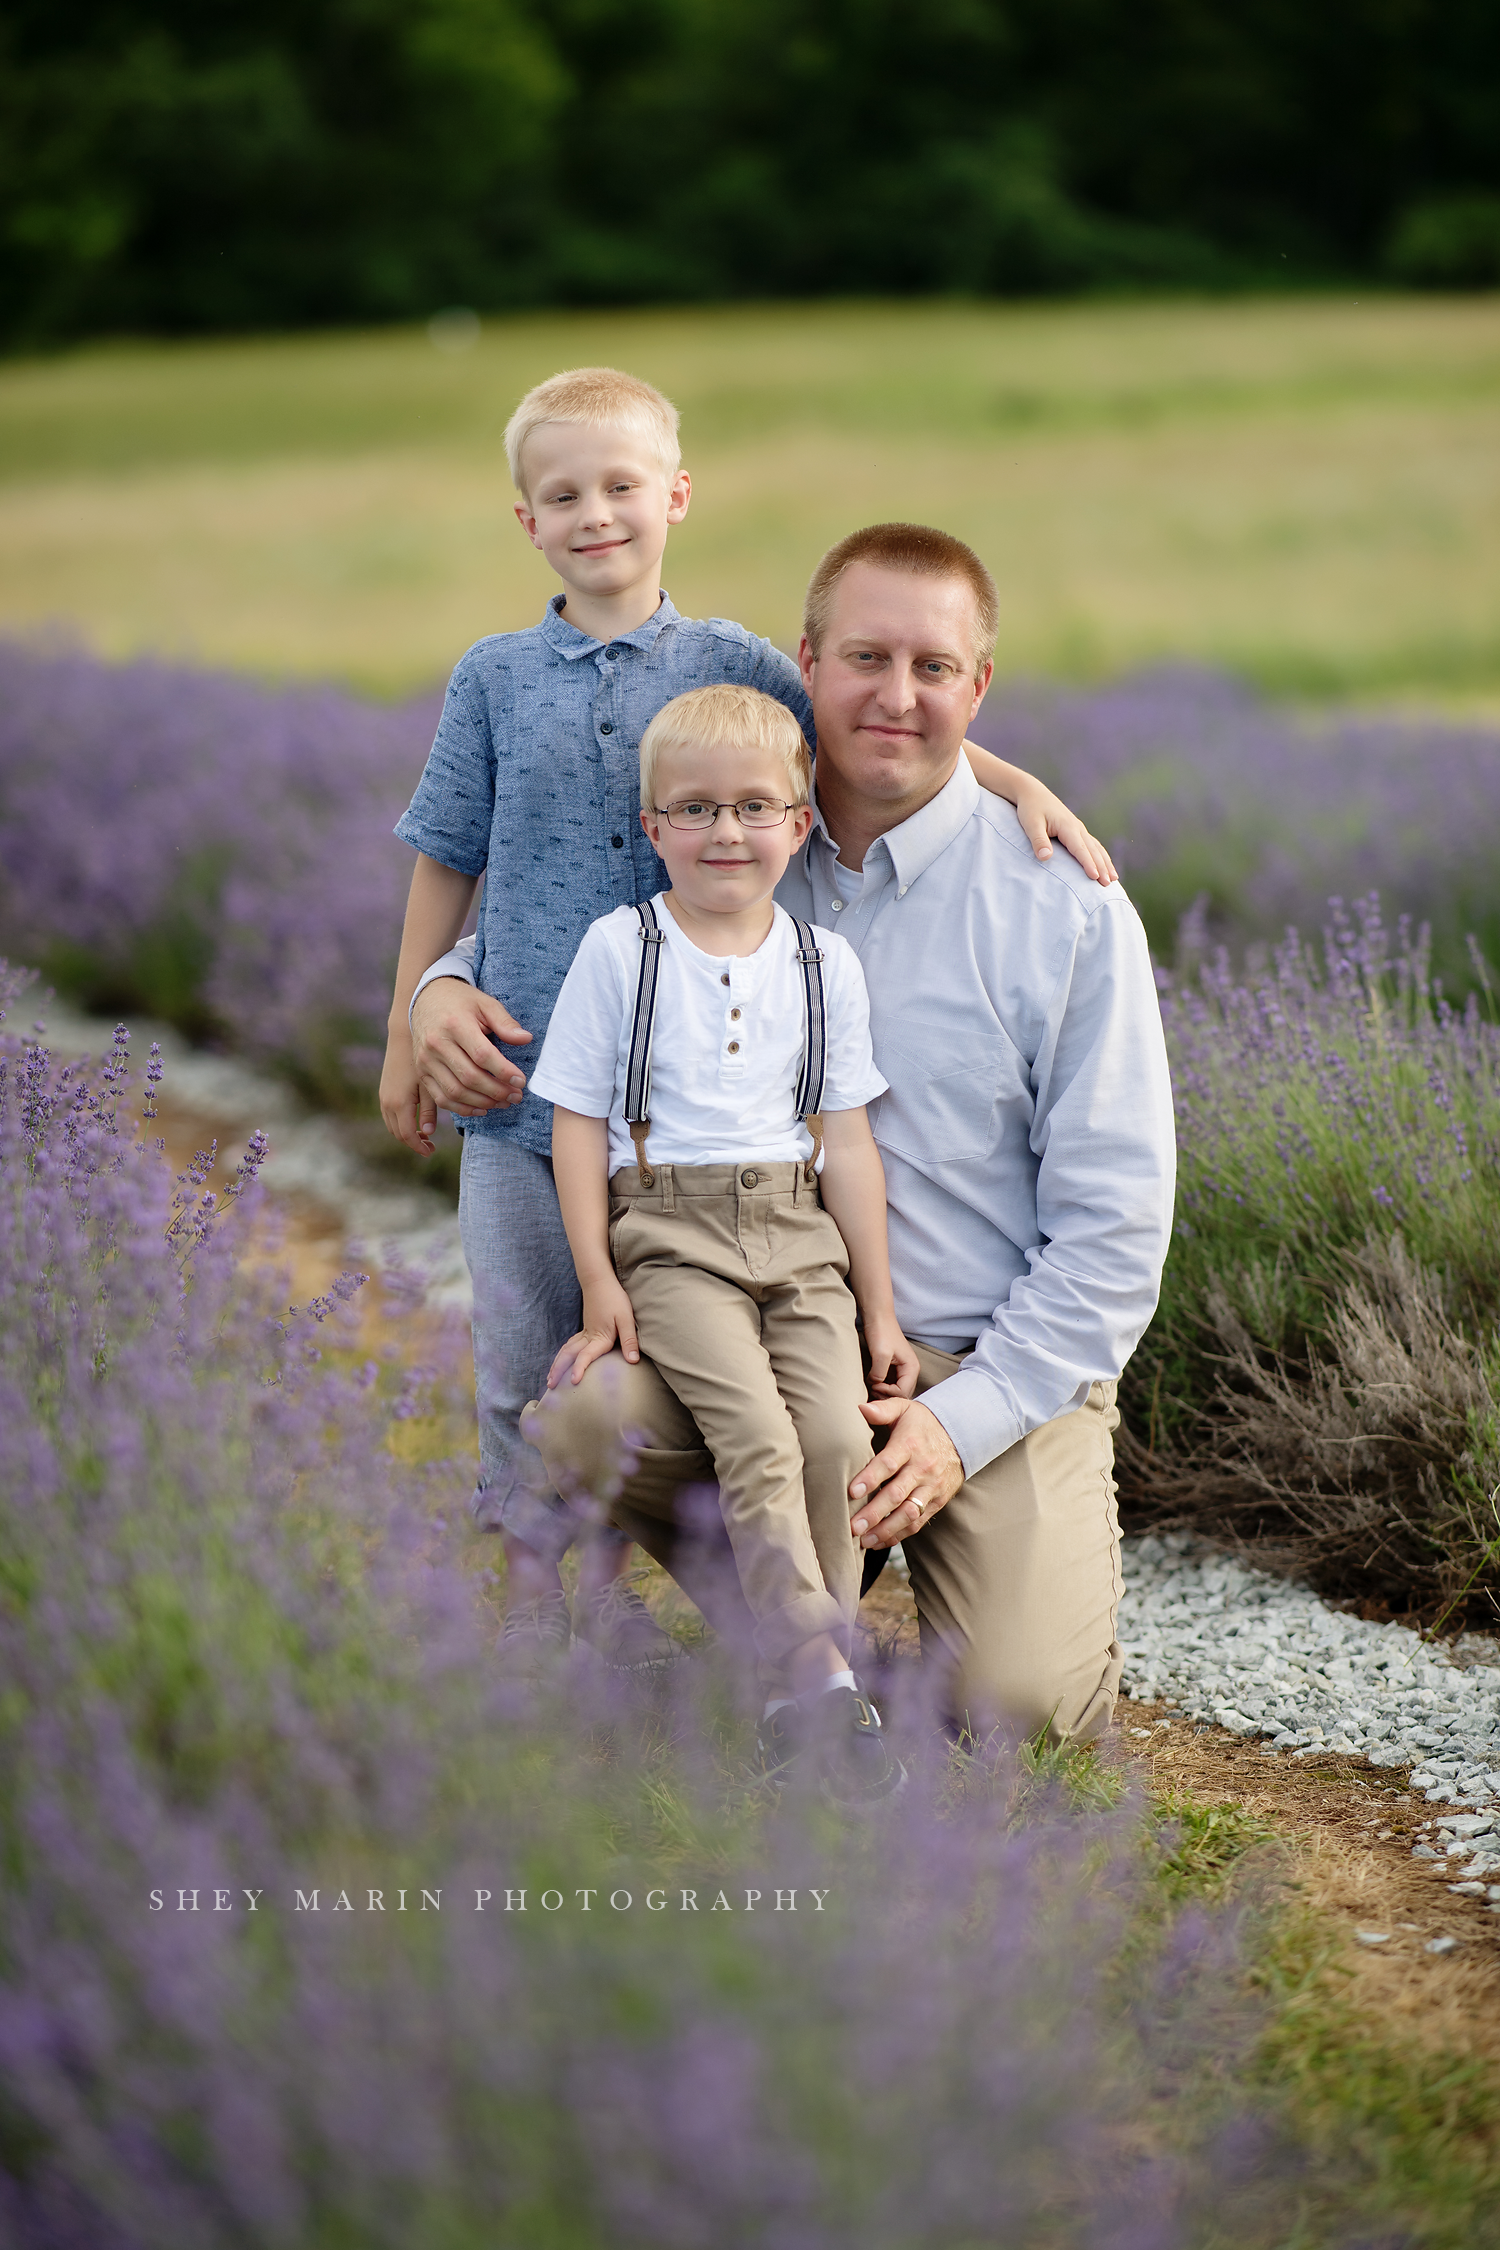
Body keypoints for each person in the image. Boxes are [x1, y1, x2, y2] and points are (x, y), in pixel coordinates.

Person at [380, 364, 1114, 1676]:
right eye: (563, 493)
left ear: (676, 496)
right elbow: (479, 859)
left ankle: (772, 1642)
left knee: (687, 1377)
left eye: (620, 486)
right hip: (558, 1124)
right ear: (525, 518)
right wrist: (420, 1000)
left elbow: (883, 724)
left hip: (791, 1219)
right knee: (543, 1376)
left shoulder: (734, 671)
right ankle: (553, 1625)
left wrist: (1010, 778)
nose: (595, 513)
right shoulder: (518, 692)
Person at [520, 522, 1176, 1750]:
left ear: (979, 690)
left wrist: (953, 1424)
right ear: (804, 664)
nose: (896, 695)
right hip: (753, 1321)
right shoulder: (732, 831)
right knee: (585, 1424)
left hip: (992, 1364)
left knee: (1020, 1713)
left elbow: (1115, 1234)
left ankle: (846, 1595)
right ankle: (795, 1634)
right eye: (865, 658)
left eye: (935, 669)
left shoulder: (1066, 908)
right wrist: (446, 981)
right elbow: (548, 914)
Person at [529, 680, 912, 1801]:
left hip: (799, 1237)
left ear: (801, 825)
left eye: (754, 807)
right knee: (755, 1433)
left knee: (836, 1437)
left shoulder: (820, 965)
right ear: (652, 828)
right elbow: (576, 1125)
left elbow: (847, 1146)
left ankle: (800, 1699)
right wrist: (601, 1279)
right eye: (693, 810)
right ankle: (823, 1680)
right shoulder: (624, 949)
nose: (725, 831)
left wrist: (877, 1308)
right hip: (673, 1229)